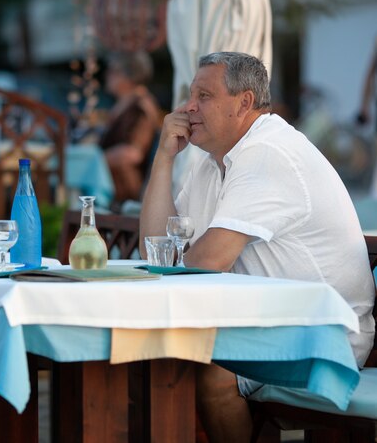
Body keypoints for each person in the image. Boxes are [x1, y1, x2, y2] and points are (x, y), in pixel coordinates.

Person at [140, 51, 374, 442]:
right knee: (147, 357)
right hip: (266, 326)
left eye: (204, 95)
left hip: (324, 339)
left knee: (200, 367)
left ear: (244, 102)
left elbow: (207, 262)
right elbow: (156, 247)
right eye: (190, 95)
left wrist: (170, 261)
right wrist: (164, 158)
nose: (188, 107)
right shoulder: (211, 158)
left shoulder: (268, 153)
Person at [99, 51, 161, 204]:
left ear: (128, 76)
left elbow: (133, 153)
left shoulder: (141, 107)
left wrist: (96, 160)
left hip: (126, 192)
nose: (107, 75)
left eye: (113, 71)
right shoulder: (125, 104)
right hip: (112, 184)